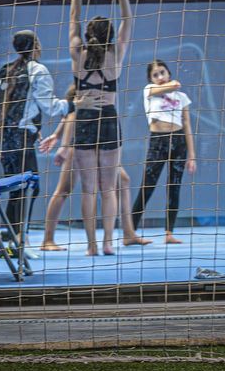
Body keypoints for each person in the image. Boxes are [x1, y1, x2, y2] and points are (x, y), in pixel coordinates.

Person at [37, 86, 151, 250]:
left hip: (98, 142)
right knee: (64, 189)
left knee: (123, 180)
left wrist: (57, 135)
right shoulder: (87, 85)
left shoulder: (99, 82)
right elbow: (72, 113)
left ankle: (128, 233)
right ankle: (48, 239)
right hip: (80, 145)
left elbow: (71, 112)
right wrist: (64, 145)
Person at [69, 0, 133, 257]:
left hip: (84, 118)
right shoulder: (115, 54)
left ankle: (92, 245)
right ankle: (108, 242)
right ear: (109, 35)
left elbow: (73, 17)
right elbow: (127, 18)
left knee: (88, 189)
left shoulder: (77, 53)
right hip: (107, 118)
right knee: (109, 188)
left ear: (88, 34)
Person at [0, 29, 71, 247]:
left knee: (16, 187)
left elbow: (5, 108)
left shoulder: (6, 70)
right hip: (18, 138)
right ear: (35, 45)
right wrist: (72, 104)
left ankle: (13, 234)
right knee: (29, 186)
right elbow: (50, 106)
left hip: (2, 138)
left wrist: (33, 128)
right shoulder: (38, 70)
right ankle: (17, 235)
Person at [131, 60, 197, 244]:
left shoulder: (181, 97)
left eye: (163, 72)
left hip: (178, 142)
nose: (160, 77)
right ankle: (131, 231)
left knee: (174, 187)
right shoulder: (150, 91)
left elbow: (187, 125)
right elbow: (174, 84)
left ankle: (169, 232)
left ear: (169, 72)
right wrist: (170, 84)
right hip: (158, 141)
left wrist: (191, 155)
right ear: (150, 79)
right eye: (155, 74)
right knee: (147, 187)